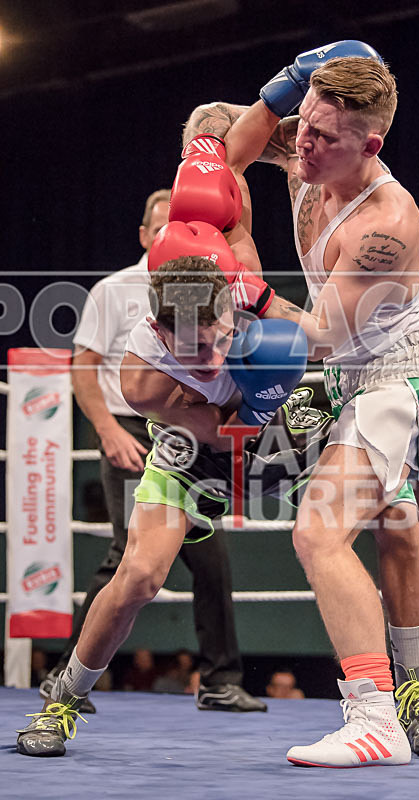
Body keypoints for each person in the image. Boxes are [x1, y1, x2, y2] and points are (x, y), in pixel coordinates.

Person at [182, 39, 419, 765]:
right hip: (365, 383)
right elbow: (233, 144)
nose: (304, 147)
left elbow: (319, 335)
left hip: (395, 385)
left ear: (370, 143)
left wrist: (238, 287)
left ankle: (374, 715)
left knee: (319, 531)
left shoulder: (387, 223)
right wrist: (278, 94)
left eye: (322, 138)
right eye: (303, 126)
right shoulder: (308, 147)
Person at [15, 241, 332, 756]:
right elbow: (220, 435)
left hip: (276, 428)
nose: (209, 360)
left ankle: (392, 700)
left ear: (230, 311)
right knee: (139, 576)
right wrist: (259, 401)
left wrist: (272, 319)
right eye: (191, 350)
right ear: (161, 332)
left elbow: (327, 338)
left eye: (219, 341)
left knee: (380, 512)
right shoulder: (140, 379)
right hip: (193, 456)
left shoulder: (244, 296)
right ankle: (62, 703)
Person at [39, 189, 266, 715]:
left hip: (199, 426)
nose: (174, 238)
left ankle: (219, 680)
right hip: (132, 425)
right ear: (145, 235)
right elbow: (84, 365)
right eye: (161, 229)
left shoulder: (228, 290)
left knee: (211, 561)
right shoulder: (115, 292)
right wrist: (106, 430)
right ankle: (67, 676)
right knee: (131, 560)